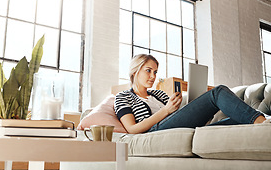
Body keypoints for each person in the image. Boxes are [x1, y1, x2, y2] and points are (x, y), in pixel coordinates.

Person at [114, 54, 268, 134]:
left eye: (155, 72)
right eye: (148, 71)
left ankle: (261, 121)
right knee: (217, 92)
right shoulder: (123, 97)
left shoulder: (158, 94)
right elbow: (132, 129)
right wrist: (165, 110)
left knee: (241, 118)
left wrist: (187, 107)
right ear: (135, 71)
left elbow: (179, 116)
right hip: (155, 130)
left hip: (177, 126)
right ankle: (264, 125)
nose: (153, 76)